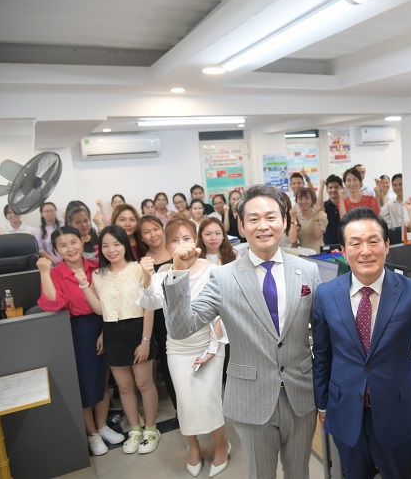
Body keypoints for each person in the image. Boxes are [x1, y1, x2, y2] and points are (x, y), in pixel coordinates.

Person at [162, 184, 321, 479]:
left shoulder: (307, 271)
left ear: (284, 220)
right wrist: (179, 272)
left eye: (271, 217)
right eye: (254, 219)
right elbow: (182, 328)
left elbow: (322, 335)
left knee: (299, 472)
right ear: (241, 225)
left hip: (301, 394)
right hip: (251, 397)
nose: (263, 226)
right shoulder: (223, 278)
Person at [312, 207, 411, 479]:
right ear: (343, 251)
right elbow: (322, 355)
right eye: (355, 243)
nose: (365, 251)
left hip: (397, 415)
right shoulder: (326, 294)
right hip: (346, 413)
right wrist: (322, 404)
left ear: (387, 245)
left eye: (373, 241)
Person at [139, 219, 230, 477]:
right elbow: (150, 302)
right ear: (167, 246)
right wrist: (147, 277)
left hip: (209, 345)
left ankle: (221, 445)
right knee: (186, 401)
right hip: (178, 349)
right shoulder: (164, 273)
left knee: (209, 399)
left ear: (196, 242)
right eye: (175, 240)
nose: (182, 245)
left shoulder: (211, 270)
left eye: (187, 238)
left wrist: (213, 347)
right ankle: (193, 447)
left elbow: (221, 312)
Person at [36, 226, 125, 456]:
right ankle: (92, 434)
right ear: (55, 250)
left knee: (103, 379)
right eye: (63, 245)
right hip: (78, 330)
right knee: (85, 383)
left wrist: (104, 331)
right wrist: (45, 272)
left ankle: (102, 425)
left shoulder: (96, 266)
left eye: (73, 242)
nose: (70, 248)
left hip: (104, 324)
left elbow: (110, 299)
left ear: (82, 242)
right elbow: (53, 304)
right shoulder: (56, 274)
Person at [80, 225, 160, 454]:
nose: (111, 249)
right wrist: (84, 287)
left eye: (116, 244)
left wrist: (146, 340)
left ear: (125, 244)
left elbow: (149, 306)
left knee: (144, 383)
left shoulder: (139, 268)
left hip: (137, 329)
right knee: (124, 387)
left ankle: (151, 429)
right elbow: (100, 310)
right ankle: (134, 429)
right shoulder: (98, 275)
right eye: (105, 245)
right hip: (112, 333)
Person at [136, 215, 177, 409]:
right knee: (170, 367)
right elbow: (147, 300)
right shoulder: (145, 263)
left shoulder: (176, 250)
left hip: (185, 313)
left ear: (163, 229)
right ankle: (179, 411)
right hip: (162, 321)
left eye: (155, 229)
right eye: (146, 232)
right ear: (141, 237)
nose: (153, 234)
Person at [294, 187, 328, 253]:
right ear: (296, 200)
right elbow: (293, 241)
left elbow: (316, 235)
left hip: (318, 254)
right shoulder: (295, 217)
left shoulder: (321, 215)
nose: (303, 202)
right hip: (303, 255)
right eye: (300, 199)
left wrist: (315, 215)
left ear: (312, 200)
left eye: (307, 198)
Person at [317, 174, 343, 246]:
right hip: (328, 244)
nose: (333, 190)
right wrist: (321, 188)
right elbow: (319, 209)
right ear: (326, 189)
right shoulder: (325, 205)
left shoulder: (345, 204)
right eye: (330, 188)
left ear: (341, 188)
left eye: (336, 187)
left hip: (344, 243)